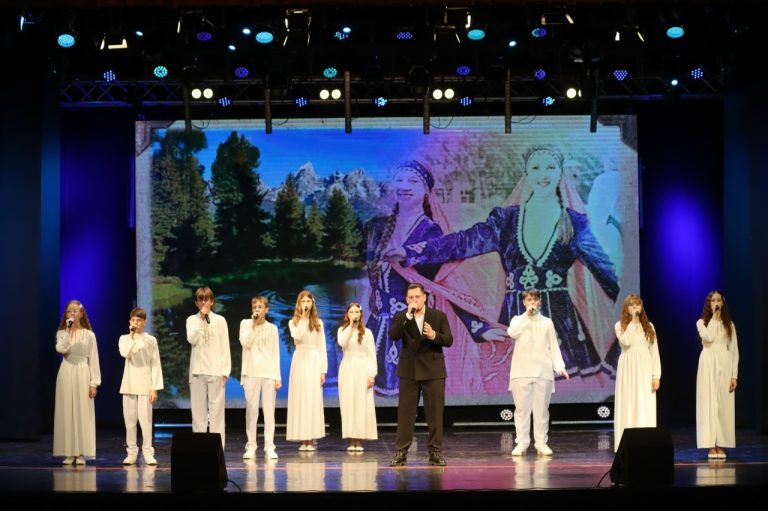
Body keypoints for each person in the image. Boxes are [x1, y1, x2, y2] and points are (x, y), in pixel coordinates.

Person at [388, 145, 620, 381]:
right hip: (514, 317)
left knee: (560, 387)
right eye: (536, 168)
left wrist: (629, 303)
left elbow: (605, 271)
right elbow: (463, 242)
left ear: (560, 173)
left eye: (550, 168)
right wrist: (412, 251)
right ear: (527, 174)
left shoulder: (575, 223)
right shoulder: (506, 220)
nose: (543, 174)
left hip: (561, 324)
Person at [364, 160, 445, 397]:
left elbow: (433, 281)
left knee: (407, 394)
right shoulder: (377, 227)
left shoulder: (431, 232)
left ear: (426, 191)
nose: (404, 186)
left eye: (413, 181)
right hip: (376, 325)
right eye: (399, 180)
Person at [388, 283, 453, 467]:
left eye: (417, 297)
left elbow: (448, 340)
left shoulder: (438, 316)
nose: (414, 300)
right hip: (409, 371)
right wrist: (407, 317)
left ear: (424, 298)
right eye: (411, 297)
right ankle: (401, 451)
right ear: (406, 300)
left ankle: (435, 451)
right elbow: (393, 335)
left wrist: (433, 335)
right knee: (406, 413)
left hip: (433, 371)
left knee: (435, 413)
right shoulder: (402, 317)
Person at [506, 290, 570, 456]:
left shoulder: (547, 322)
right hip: (521, 372)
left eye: (535, 299)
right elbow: (512, 333)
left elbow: (553, 345)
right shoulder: (517, 320)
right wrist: (527, 317)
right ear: (524, 302)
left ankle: (541, 443)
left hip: (543, 372)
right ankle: (522, 443)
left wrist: (559, 366)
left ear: (540, 301)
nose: (532, 302)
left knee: (541, 411)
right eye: (529, 300)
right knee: (522, 410)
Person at [53, 300, 101, 465]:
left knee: (83, 411)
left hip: (82, 371)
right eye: (69, 311)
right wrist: (68, 330)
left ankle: (81, 453)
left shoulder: (89, 335)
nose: (72, 313)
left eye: (75, 311)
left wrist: (94, 383)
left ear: (81, 314)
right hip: (66, 370)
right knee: (66, 410)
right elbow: (61, 349)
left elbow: (94, 359)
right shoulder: (62, 333)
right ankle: (68, 452)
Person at [613, 294, 661, 452]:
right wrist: (633, 322)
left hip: (645, 368)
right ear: (626, 309)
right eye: (631, 305)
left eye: (637, 305)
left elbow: (654, 351)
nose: (635, 308)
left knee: (644, 403)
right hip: (628, 368)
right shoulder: (620, 325)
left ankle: (645, 442)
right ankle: (626, 444)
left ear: (641, 307)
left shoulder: (649, 326)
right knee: (628, 403)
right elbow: (626, 342)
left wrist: (656, 375)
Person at [186, 286, 231, 448]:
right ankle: (200, 449)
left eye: (206, 299)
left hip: (216, 372)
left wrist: (226, 371)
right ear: (196, 303)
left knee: (217, 414)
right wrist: (202, 321)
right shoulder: (192, 320)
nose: (204, 302)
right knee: (198, 415)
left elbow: (225, 346)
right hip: (197, 372)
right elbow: (191, 339)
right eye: (201, 299)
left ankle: (217, 449)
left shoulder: (220, 320)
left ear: (212, 302)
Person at [696, 290, 739, 459]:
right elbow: (708, 338)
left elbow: (734, 350)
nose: (716, 303)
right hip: (708, 363)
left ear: (722, 302)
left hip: (725, 363)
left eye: (718, 300)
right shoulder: (702, 323)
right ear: (709, 304)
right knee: (709, 403)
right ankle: (710, 445)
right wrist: (714, 319)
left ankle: (720, 444)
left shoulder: (730, 325)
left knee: (724, 405)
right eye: (713, 300)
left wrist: (734, 375)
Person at [119, 307, 163, 465]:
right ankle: (131, 452)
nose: (136, 323)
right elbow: (125, 353)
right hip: (129, 382)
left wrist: (154, 387)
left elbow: (155, 364)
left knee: (146, 421)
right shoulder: (125, 339)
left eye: (139, 320)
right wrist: (132, 336)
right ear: (129, 322)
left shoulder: (151, 340)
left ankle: (148, 452)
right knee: (130, 421)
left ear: (144, 322)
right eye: (133, 320)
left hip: (145, 382)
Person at [239, 295, 281, 460]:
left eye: (260, 307)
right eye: (255, 307)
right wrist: (253, 325)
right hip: (251, 372)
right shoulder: (245, 324)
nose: (257, 309)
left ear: (266, 309)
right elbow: (245, 343)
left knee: (269, 412)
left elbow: (275, 354)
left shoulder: (273, 329)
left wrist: (277, 376)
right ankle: (251, 446)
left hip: (268, 373)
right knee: (252, 412)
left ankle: (269, 446)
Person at [286, 290, 328, 450]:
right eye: (303, 301)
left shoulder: (318, 323)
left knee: (312, 397)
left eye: (308, 301)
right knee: (300, 397)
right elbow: (297, 337)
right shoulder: (293, 322)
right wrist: (303, 319)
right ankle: (302, 438)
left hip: (313, 359)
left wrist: (323, 370)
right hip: (299, 359)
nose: (305, 304)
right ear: (299, 304)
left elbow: (322, 347)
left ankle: (310, 438)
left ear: (312, 304)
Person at [337, 303, 378, 451]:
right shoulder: (342, 330)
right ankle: (351, 439)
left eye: (357, 312)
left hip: (362, 369)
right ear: (347, 315)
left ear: (361, 315)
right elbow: (342, 342)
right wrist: (351, 326)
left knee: (361, 404)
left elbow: (372, 355)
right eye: (351, 312)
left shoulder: (367, 333)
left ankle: (359, 439)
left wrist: (372, 374)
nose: (354, 314)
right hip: (347, 368)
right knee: (349, 403)